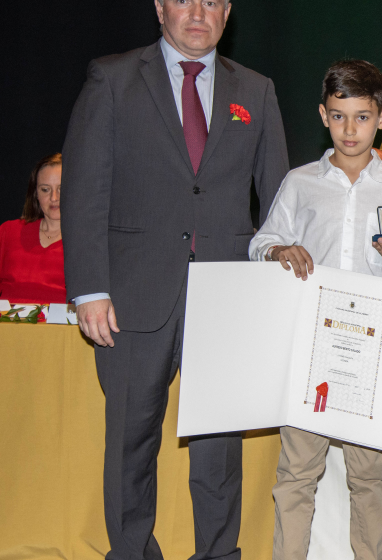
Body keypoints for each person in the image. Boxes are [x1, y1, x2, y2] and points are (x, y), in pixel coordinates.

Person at [60, 1, 289, 558]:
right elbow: (84, 190)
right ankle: (131, 552)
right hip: (131, 295)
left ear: (227, 12)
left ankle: (219, 553)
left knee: (219, 449)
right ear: (161, 7)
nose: (198, 12)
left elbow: (280, 199)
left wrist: (275, 292)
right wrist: (90, 289)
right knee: (130, 442)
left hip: (227, 298)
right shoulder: (112, 79)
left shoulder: (256, 90)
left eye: (211, 1)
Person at [250, 59, 382, 560]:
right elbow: (261, 242)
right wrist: (278, 250)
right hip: (310, 349)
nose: (350, 130)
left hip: (373, 353)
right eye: (338, 117)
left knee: (369, 477)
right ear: (323, 116)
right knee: (296, 474)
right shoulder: (300, 182)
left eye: (362, 117)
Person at [0, 153, 66, 304]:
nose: (54, 198)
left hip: (61, 319)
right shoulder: (8, 232)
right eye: (45, 189)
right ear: (35, 193)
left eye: (61, 188)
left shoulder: (87, 241)